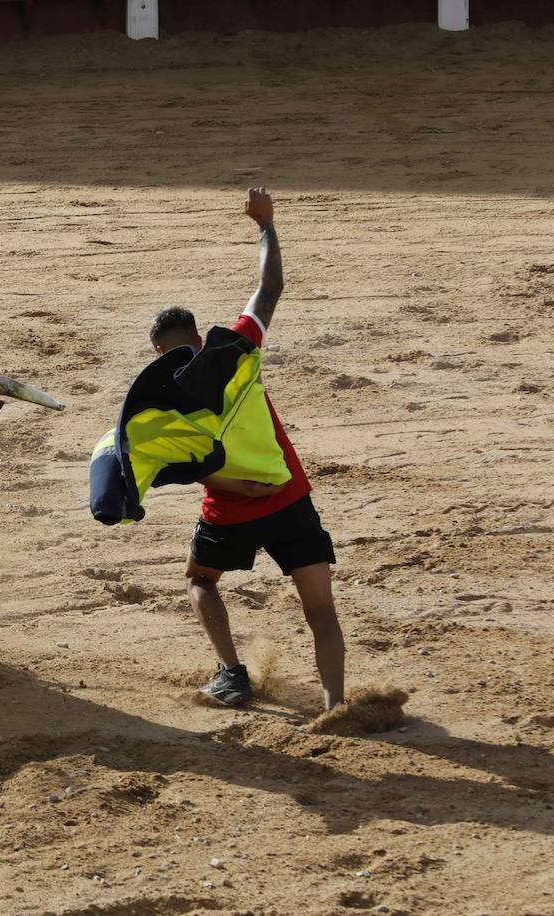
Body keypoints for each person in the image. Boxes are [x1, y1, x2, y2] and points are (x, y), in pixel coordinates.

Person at [148, 188, 344, 711]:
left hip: (229, 511)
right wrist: (265, 224)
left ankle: (232, 675)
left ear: (159, 353)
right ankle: (336, 706)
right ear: (197, 333)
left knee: (199, 580)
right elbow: (270, 286)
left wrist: (234, 486)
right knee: (321, 611)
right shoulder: (239, 348)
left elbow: (187, 469)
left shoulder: (166, 401)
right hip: (289, 499)